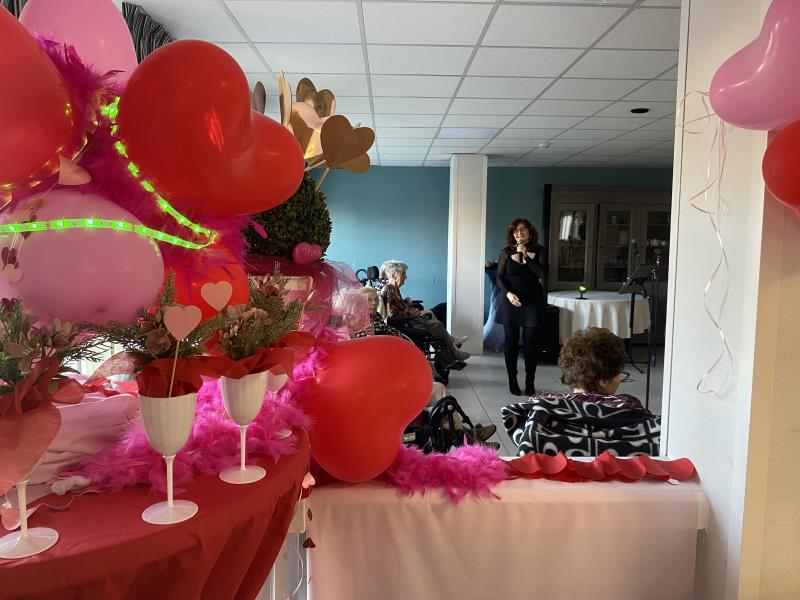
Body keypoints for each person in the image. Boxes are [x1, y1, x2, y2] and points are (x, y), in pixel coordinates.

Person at [355, 286, 498, 448]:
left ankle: (466, 435)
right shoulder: (361, 330)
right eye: (369, 300)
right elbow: (375, 361)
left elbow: (392, 334)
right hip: (384, 391)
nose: (374, 303)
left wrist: (408, 346)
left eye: (375, 300)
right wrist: (373, 338)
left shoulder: (375, 319)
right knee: (440, 391)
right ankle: (467, 439)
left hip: (391, 375)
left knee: (438, 387)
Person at [501, 327, 660, 457]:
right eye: (618, 375)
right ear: (604, 380)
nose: (619, 381)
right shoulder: (629, 406)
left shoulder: (541, 406)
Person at [379, 260, 469, 373]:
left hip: (406, 319)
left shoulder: (394, 288)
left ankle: (451, 349)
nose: (406, 277)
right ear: (394, 275)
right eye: (403, 273)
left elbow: (397, 308)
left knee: (431, 315)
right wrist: (411, 314)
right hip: (403, 323)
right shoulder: (389, 289)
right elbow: (392, 315)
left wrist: (406, 304)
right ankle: (452, 351)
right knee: (437, 325)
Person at [495, 218, 547, 396]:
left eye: (523, 230)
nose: (519, 233)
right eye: (516, 231)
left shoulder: (540, 250)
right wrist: (508, 294)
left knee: (531, 342)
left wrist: (525, 255)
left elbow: (542, 274)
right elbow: (499, 277)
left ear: (530, 233)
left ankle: (530, 382)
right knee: (510, 342)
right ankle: (512, 380)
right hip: (510, 300)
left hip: (532, 301)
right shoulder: (506, 252)